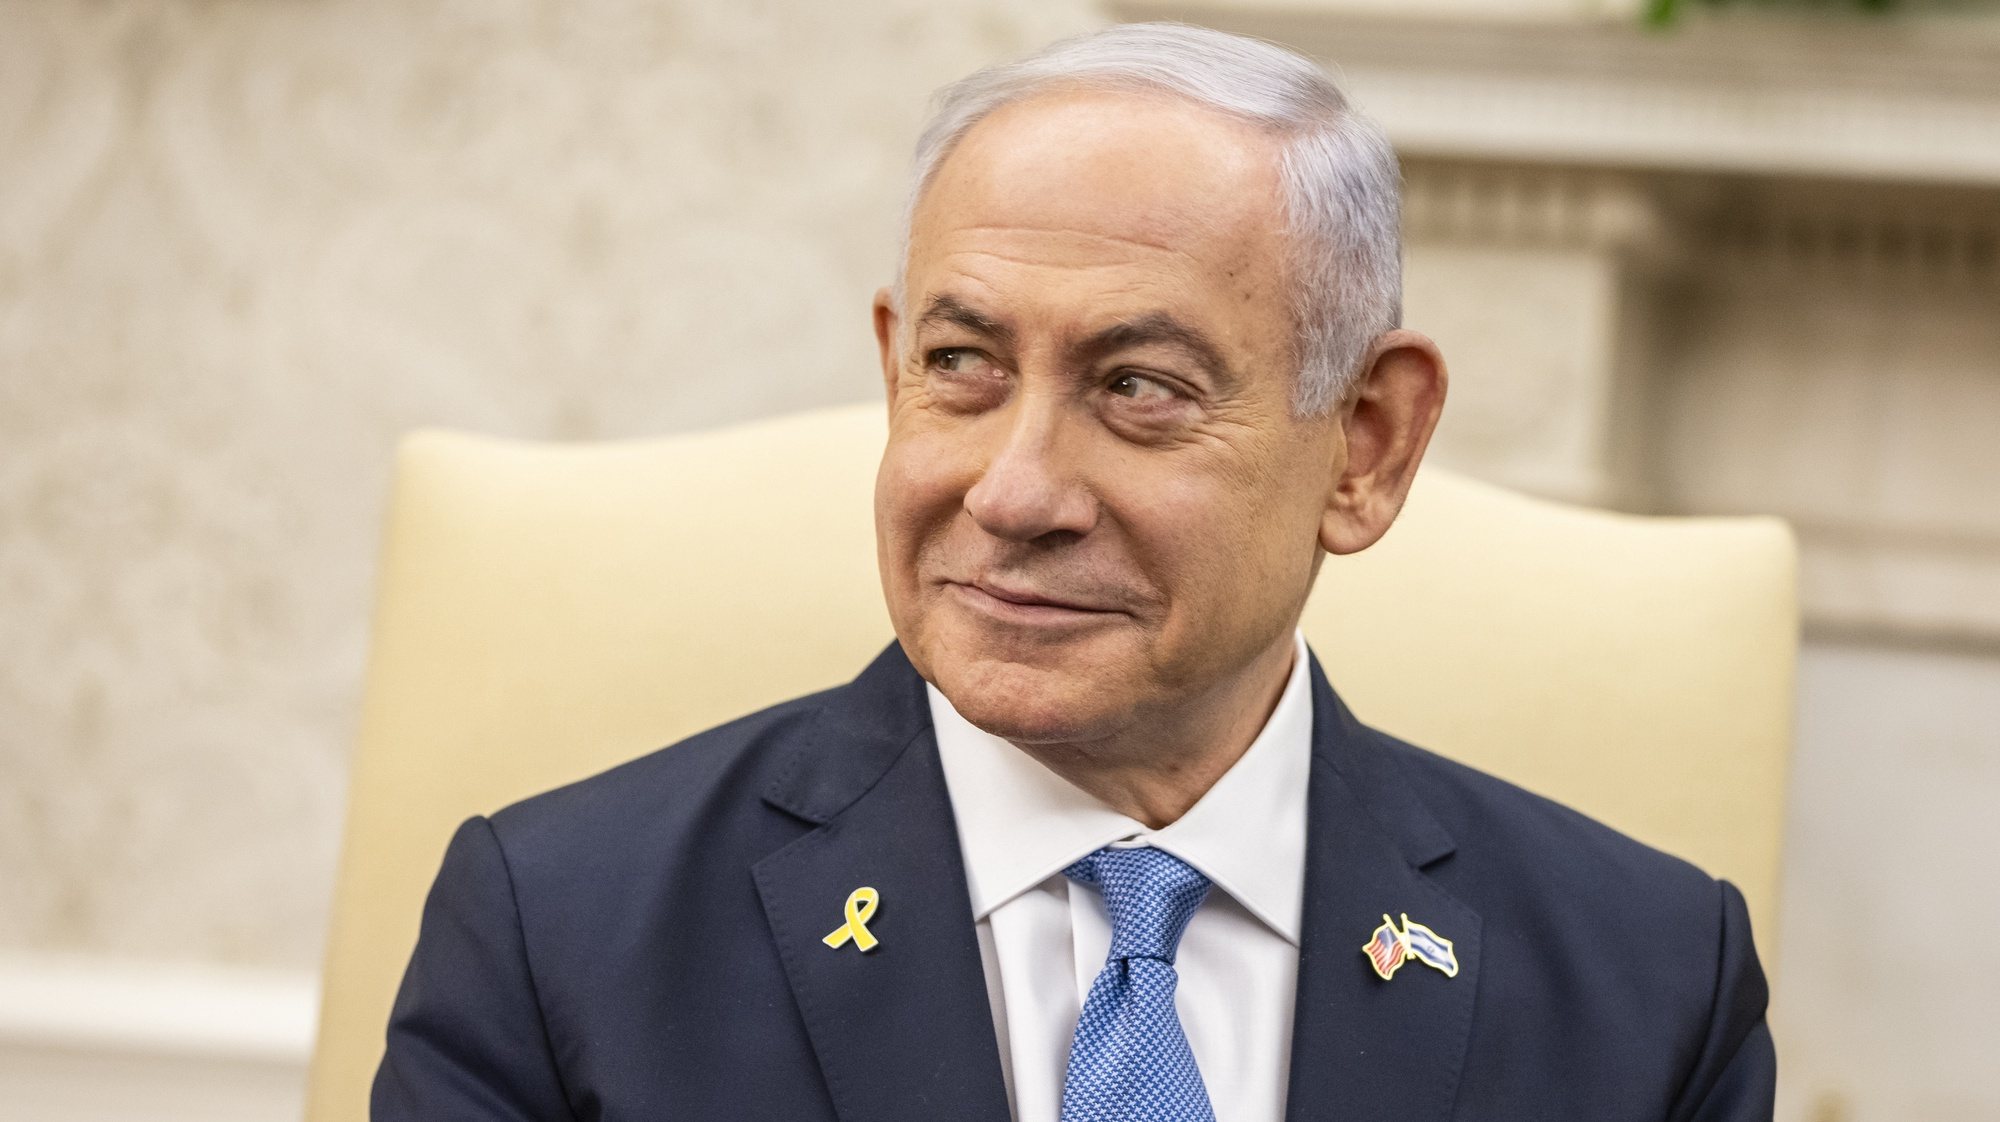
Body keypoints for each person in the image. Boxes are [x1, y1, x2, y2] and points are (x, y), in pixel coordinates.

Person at [372, 22, 1773, 1122]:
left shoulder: (1649, 981)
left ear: (1366, 444)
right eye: (962, 366)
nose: (1014, 490)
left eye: (1142, 386)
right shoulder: (562, 935)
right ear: (892, 369)